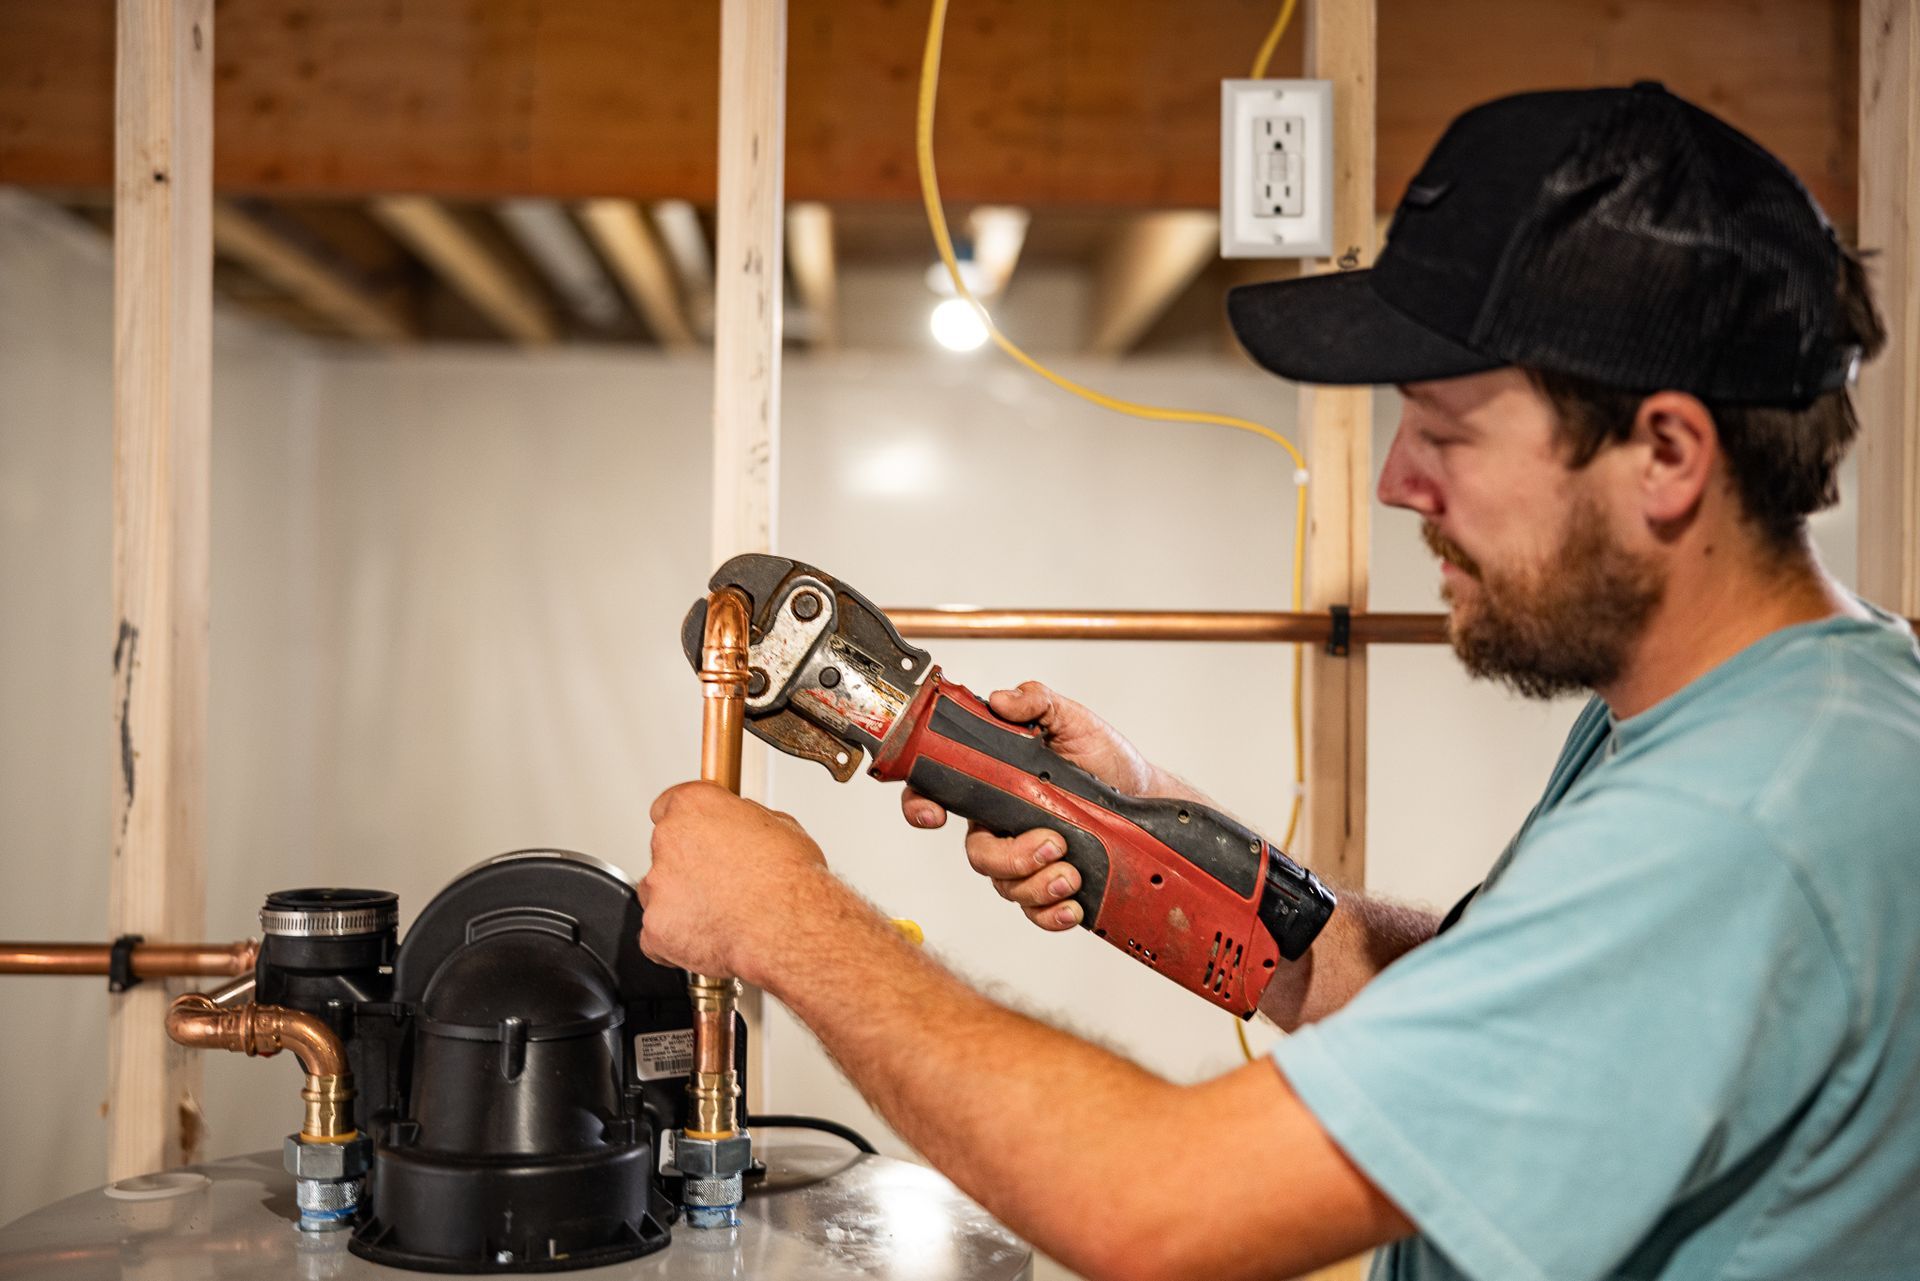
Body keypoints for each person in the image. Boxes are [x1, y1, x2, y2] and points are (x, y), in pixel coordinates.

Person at [639, 84, 1920, 1280]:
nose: (1395, 480)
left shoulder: (1745, 821)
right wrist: (1135, 820)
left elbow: (1160, 1206)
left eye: (1450, 430)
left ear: (1668, 455)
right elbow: (1490, 1019)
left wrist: (789, 923)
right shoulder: (1741, 718)